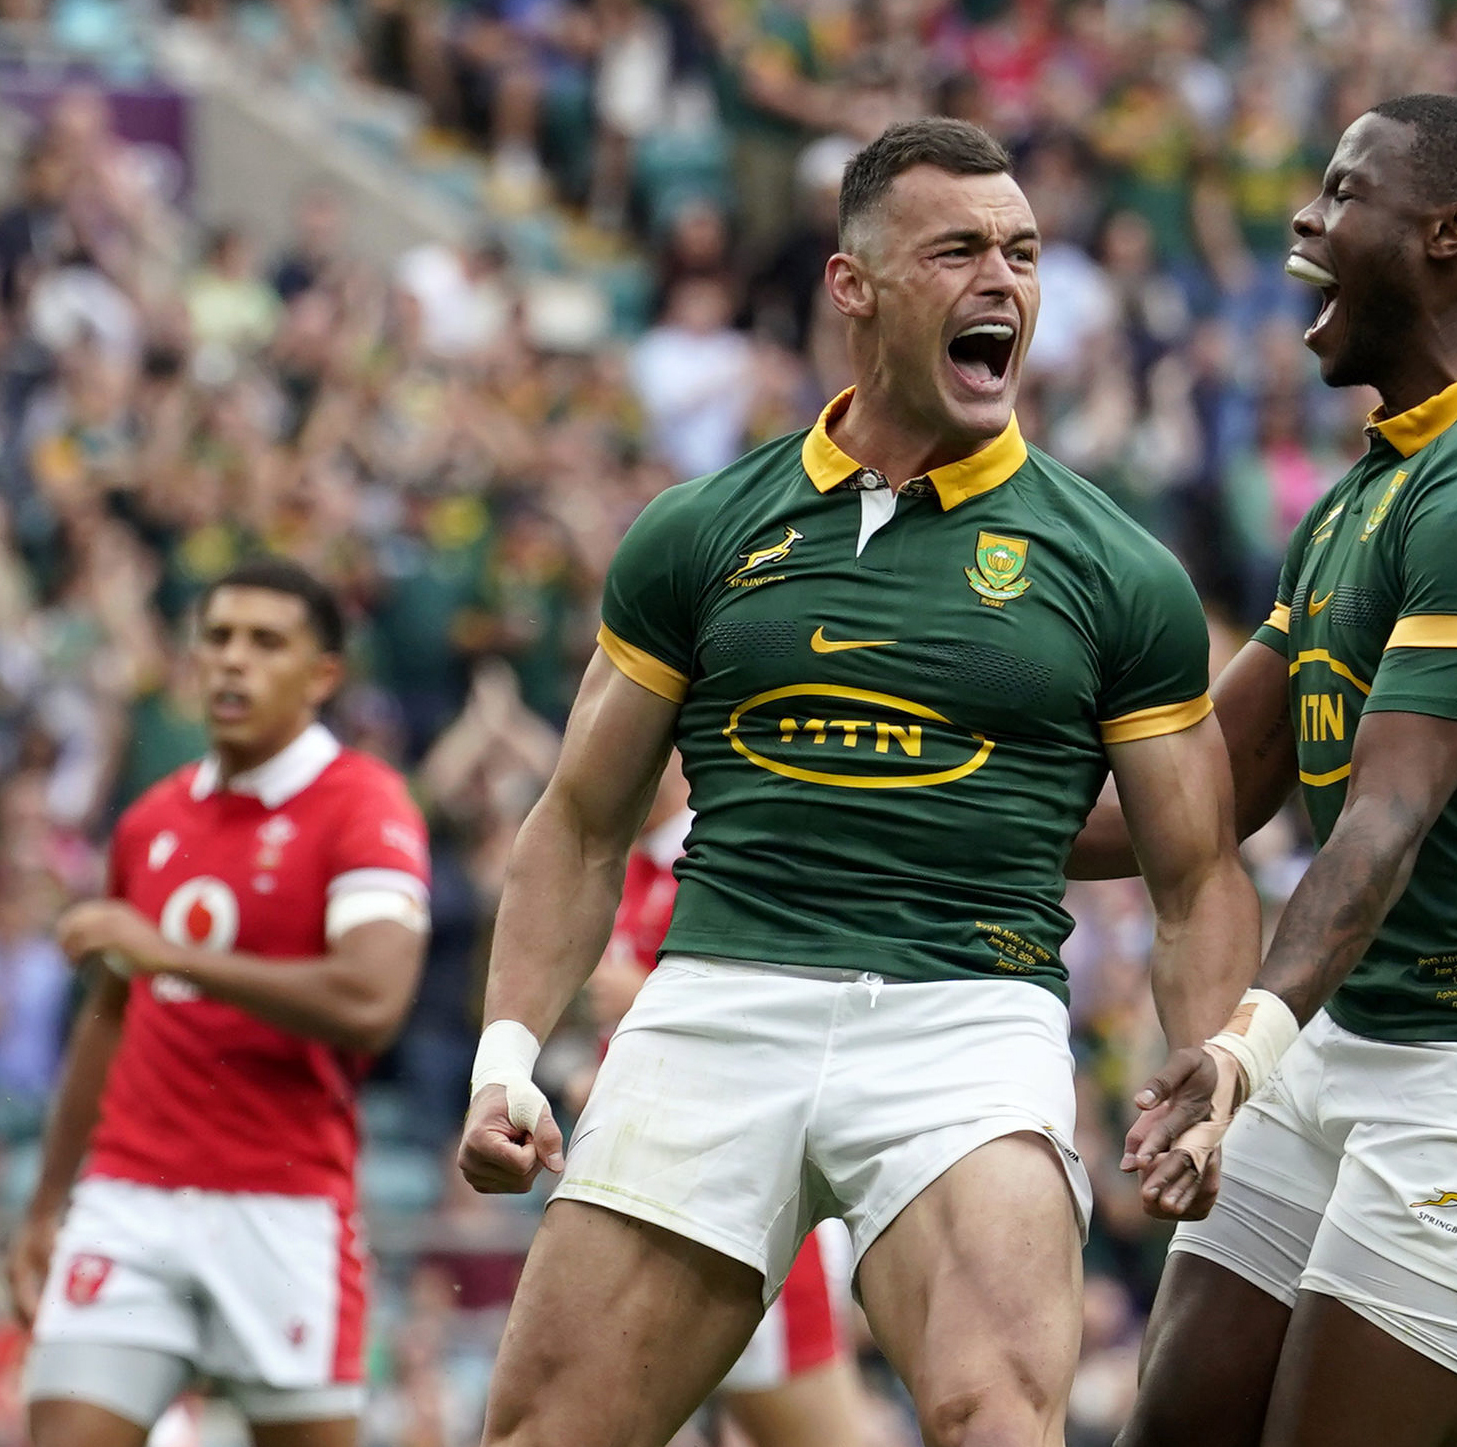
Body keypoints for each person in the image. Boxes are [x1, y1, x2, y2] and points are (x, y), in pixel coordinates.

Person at [456, 116, 1259, 1447]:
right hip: (718, 1001)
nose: (1001, 280)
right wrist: (505, 1058)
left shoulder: (1118, 567)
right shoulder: (699, 529)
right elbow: (583, 823)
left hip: (968, 1014)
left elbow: (1194, 871)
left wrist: (1205, 1058)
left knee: (995, 1413)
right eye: (957, 251)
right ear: (854, 285)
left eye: (1022, 252)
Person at [1070, 94, 1457, 1447]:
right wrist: (930, 819)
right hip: (1351, 1034)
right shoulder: (1366, 489)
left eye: (1342, 190)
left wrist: (1241, 1039)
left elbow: (1384, 822)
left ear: (1449, 231)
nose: (1304, 214)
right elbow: (1212, 785)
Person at [6, 559, 433, 1447]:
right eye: (219, 637)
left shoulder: (363, 804)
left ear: (323, 675)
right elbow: (108, 1017)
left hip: (281, 1207)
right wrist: (48, 1201)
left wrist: (178, 956)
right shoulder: (151, 820)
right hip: (128, 1198)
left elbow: (372, 999)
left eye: (266, 642)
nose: (234, 661)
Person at [585, 762, 870, 1447]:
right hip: (655, 1187)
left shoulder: (725, 855)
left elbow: (799, 1000)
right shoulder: (634, 866)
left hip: (748, 1199)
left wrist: (643, 997)